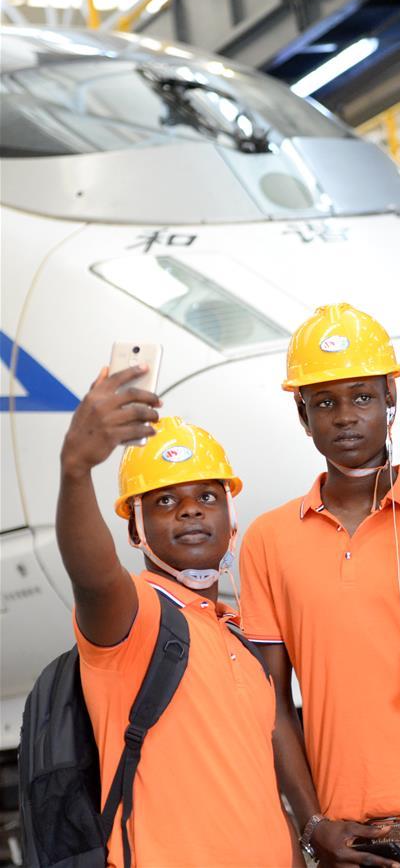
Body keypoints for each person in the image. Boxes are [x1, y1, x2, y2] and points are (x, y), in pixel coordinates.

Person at [240, 303, 400, 867]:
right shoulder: (268, 539)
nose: (344, 417)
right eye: (324, 402)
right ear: (302, 414)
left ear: (391, 397)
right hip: (349, 845)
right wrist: (313, 824)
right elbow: (271, 703)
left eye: (362, 396)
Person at [56, 365, 298, 868]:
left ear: (231, 518)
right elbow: (93, 577)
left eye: (207, 497)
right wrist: (76, 469)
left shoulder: (237, 636)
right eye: (166, 501)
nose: (191, 510)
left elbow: (259, 792)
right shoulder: (135, 616)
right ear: (135, 531)